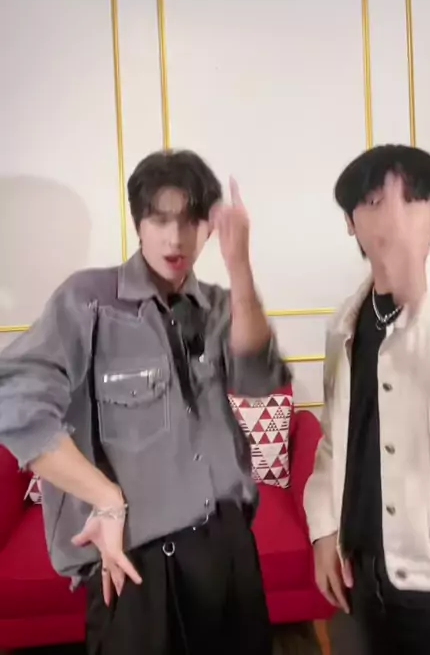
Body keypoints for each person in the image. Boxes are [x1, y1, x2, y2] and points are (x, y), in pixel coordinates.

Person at [0, 149, 290, 655]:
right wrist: (104, 497)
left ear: (209, 226)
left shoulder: (220, 305)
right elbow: (15, 402)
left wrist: (240, 266)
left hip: (228, 547)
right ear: (138, 222)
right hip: (139, 562)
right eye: (160, 219)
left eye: (190, 220)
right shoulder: (88, 300)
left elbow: (258, 378)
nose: (175, 239)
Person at [304, 144, 430, 655]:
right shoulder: (347, 319)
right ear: (350, 222)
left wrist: (420, 303)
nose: (392, 218)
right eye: (374, 202)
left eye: (411, 200)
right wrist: (324, 530)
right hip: (363, 575)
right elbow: (337, 439)